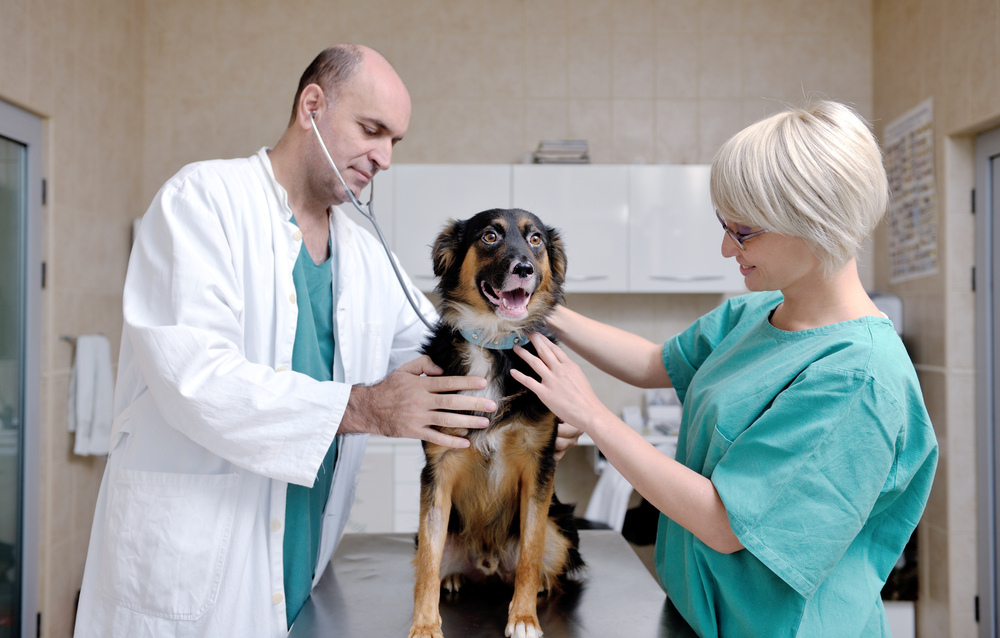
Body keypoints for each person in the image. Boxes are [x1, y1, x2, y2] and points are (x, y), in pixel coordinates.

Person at [74, 44, 523, 638]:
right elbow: (195, 380)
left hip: (298, 570)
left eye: (395, 142)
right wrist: (362, 407)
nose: (384, 157)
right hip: (190, 573)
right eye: (372, 130)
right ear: (312, 105)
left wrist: (530, 404)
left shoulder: (364, 254)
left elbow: (448, 351)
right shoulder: (203, 202)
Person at [511, 101, 938, 637]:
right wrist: (537, 306)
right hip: (697, 614)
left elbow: (725, 523)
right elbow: (651, 362)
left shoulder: (860, 378)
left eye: (743, 232)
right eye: (724, 226)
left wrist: (591, 414)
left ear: (813, 221)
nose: (724, 247)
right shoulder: (758, 311)